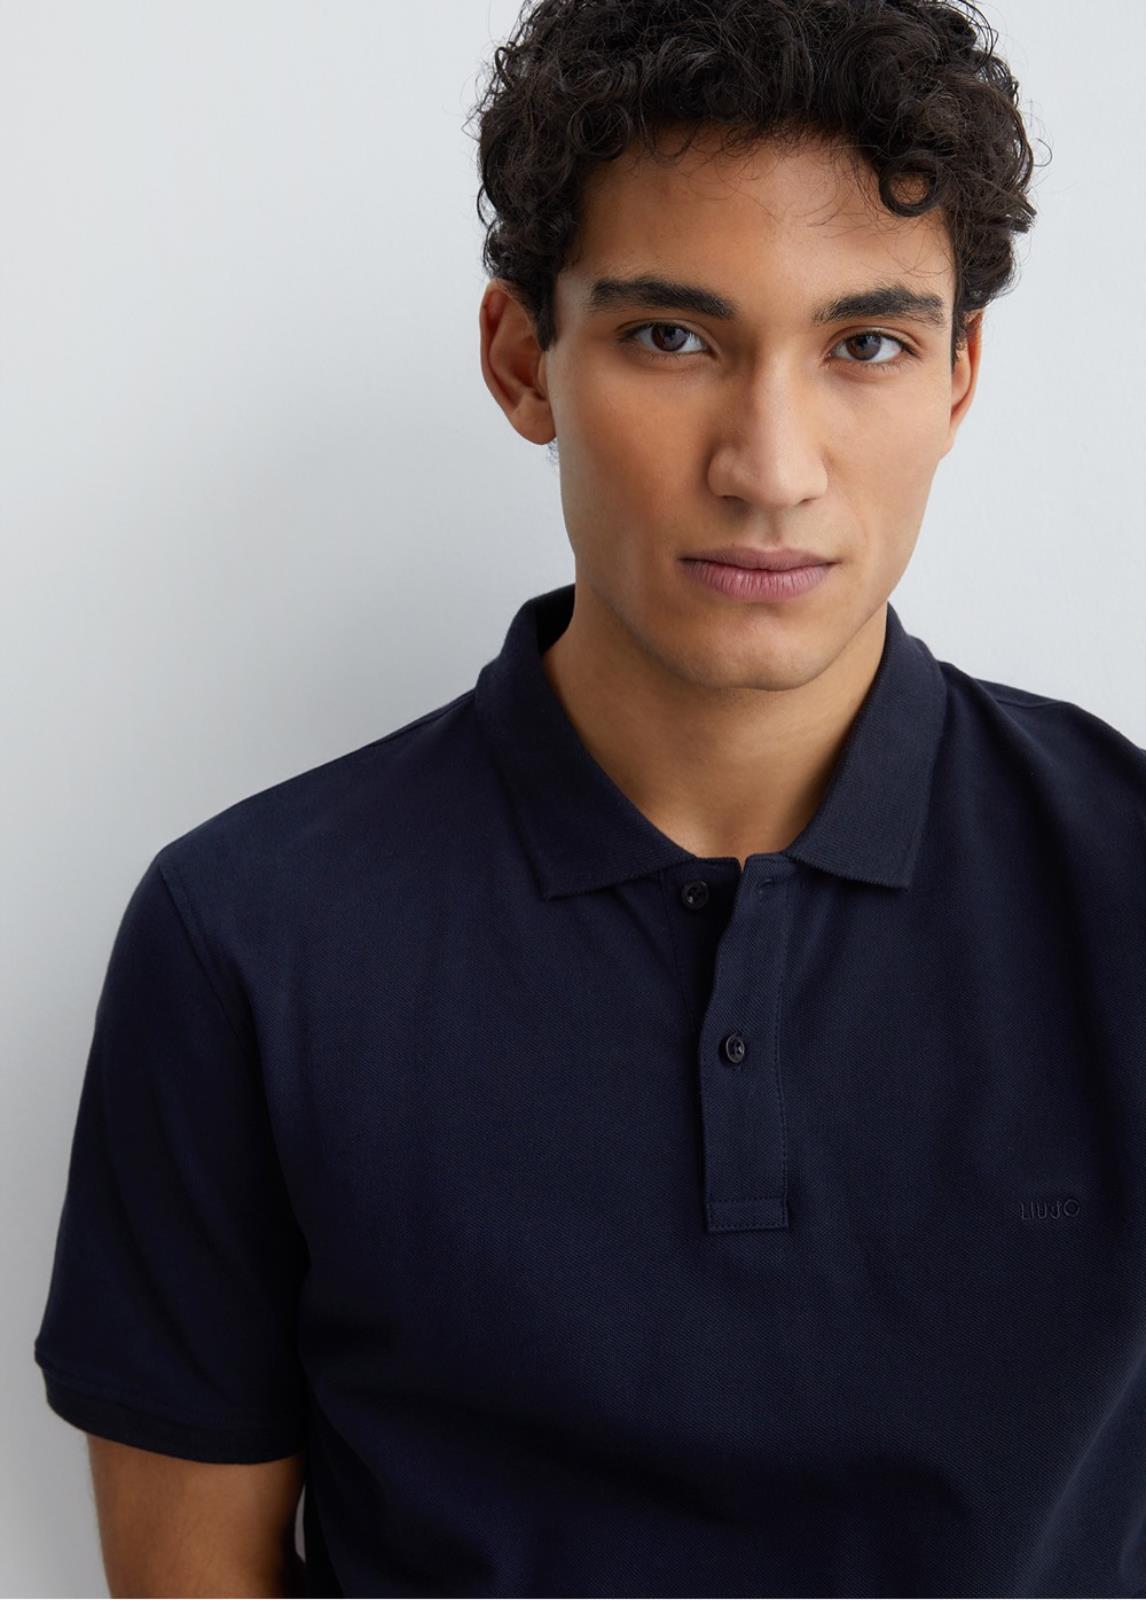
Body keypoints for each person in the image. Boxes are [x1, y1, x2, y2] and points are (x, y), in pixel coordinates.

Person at [33, 1, 1146, 1596]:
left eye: (865, 345)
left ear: (956, 378)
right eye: (672, 338)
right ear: (520, 359)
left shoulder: (1118, 883)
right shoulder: (248, 938)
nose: (769, 466)